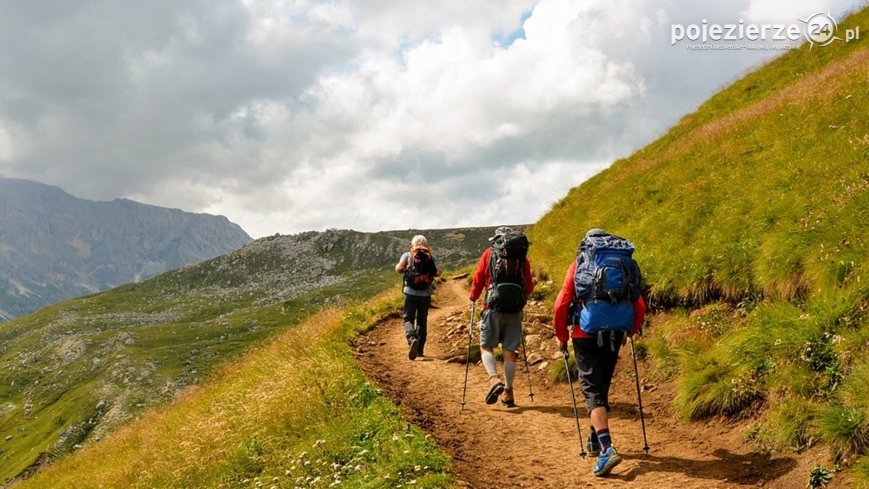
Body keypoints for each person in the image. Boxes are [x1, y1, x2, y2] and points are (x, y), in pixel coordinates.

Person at [553, 228, 646, 477]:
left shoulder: (580, 264)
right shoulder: (624, 263)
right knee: (602, 386)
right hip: (616, 332)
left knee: (592, 391)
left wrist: (562, 336)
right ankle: (594, 440)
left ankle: (606, 448)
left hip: (585, 334)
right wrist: (630, 330)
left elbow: (561, 303)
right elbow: (639, 302)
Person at [469, 226, 535, 408]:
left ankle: (493, 379)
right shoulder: (522, 258)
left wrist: (473, 296)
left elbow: (478, 278)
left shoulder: (489, 253)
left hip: (493, 307)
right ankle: (508, 392)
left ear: (497, 239)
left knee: (486, 346)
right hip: (514, 310)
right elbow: (528, 287)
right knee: (510, 351)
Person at [396, 235, 442, 360]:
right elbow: (438, 273)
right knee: (422, 320)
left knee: (408, 318)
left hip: (410, 292)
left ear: (413, 244)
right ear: (426, 244)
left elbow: (399, 269)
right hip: (425, 293)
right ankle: (420, 349)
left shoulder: (408, 255)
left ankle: (412, 338)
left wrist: (406, 268)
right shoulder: (431, 256)